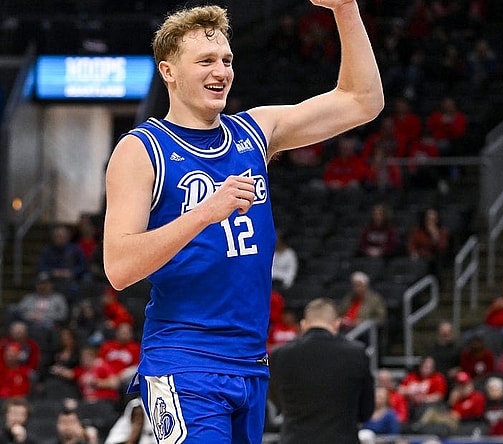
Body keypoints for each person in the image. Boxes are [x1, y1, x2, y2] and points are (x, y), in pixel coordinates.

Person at [101, 2, 383, 443]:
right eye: (206, 61)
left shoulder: (254, 132)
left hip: (250, 363)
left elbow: (362, 101)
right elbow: (118, 267)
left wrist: (345, 10)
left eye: (227, 60)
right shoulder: (141, 149)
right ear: (169, 71)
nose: (222, 70)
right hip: (185, 362)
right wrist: (206, 213)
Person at [269, 298, 374, 444]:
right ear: (337, 324)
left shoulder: (279, 354)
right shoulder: (356, 353)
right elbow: (366, 410)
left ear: (303, 325)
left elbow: (277, 399)